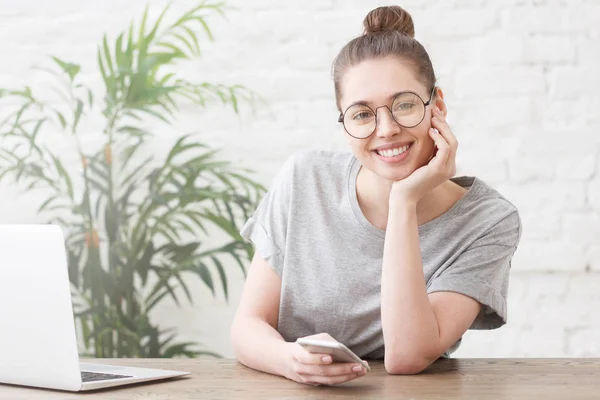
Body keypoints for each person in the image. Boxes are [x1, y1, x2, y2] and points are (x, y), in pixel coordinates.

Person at [230, 5, 522, 386]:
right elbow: (247, 326)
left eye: (404, 105)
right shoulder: (305, 180)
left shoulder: (487, 222)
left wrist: (404, 200)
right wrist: (291, 361)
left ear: (438, 106)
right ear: (344, 121)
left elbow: (408, 355)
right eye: (362, 114)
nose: (386, 129)